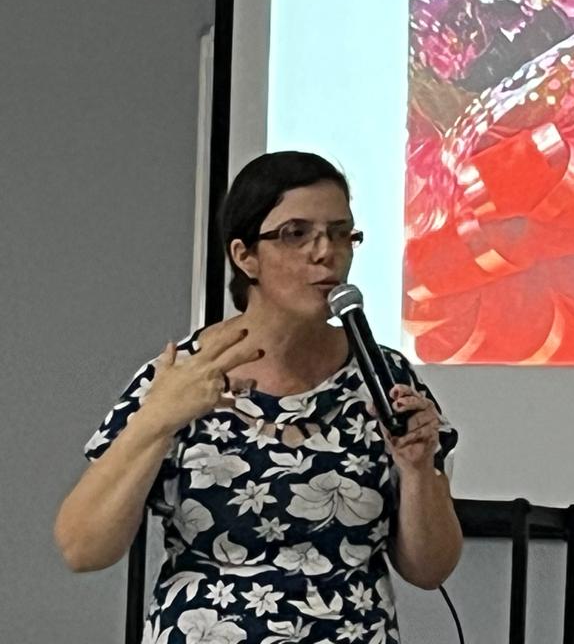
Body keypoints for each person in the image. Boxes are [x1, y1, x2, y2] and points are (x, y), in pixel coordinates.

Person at [54, 151, 462, 644]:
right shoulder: (187, 375)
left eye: (340, 233)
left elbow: (430, 570)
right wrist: (156, 420)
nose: (325, 252)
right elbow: (82, 548)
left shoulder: (384, 376)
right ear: (244, 255)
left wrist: (418, 473)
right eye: (296, 234)